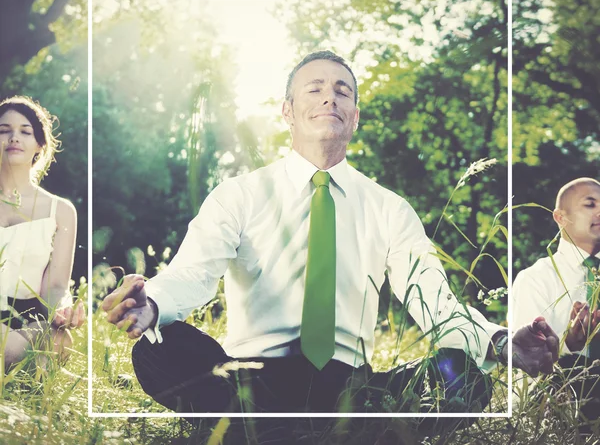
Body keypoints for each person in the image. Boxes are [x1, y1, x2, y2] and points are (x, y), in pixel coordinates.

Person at [103, 51, 558, 422]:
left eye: (342, 91)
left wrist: (501, 342)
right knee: (159, 349)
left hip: (352, 388)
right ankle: (303, 432)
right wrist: (152, 304)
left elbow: (435, 303)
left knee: (464, 376)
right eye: (314, 89)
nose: (329, 98)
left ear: (354, 116)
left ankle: (284, 434)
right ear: (287, 111)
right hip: (250, 382)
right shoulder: (239, 194)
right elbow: (193, 274)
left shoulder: (389, 208)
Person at [0, 96, 85, 372]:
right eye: (4, 130)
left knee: (60, 340)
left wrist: (64, 309)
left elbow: (56, 286)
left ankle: (17, 359)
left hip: (27, 318)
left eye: (25, 131)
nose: (14, 137)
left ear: (39, 143)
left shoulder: (61, 211)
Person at [513, 177, 600, 425]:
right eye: (590, 204)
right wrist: (569, 346)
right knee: (577, 368)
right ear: (561, 217)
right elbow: (526, 368)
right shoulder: (535, 279)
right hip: (556, 410)